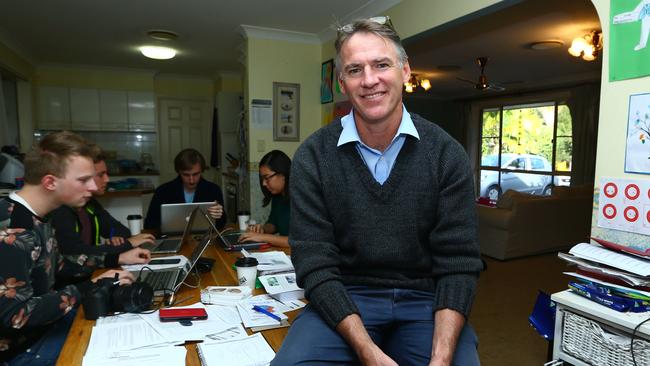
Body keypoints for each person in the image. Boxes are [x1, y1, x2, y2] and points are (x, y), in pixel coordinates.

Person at [271, 17, 483, 366]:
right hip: (346, 296)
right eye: (355, 70)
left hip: (424, 302)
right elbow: (315, 264)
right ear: (342, 82)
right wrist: (366, 351)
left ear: (405, 71)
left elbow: (458, 264)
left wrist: (441, 359)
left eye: (381, 65)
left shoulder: (446, 154)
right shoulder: (313, 156)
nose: (370, 80)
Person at [0, 131, 141, 365]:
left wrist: (111, 263)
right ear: (50, 182)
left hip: (42, 331)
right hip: (20, 351)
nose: (94, 186)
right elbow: (15, 316)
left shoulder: (40, 215)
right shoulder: (14, 229)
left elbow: (60, 264)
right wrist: (89, 287)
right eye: (84, 180)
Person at [50, 149, 155, 274]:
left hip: (91, 273)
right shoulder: (60, 210)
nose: (107, 179)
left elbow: (119, 230)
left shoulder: (90, 204)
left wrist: (115, 238)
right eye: (100, 175)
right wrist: (127, 244)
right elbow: (76, 253)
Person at [144, 148, 226, 232]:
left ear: (202, 171)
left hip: (203, 237)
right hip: (171, 238)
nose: (191, 180)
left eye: (196, 174)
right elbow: (149, 224)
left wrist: (219, 215)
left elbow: (222, 224)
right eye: (186, 175)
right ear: (178, 172)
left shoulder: (213, 190)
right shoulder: (162, 191)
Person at [239, 150, 291, 248]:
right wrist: (262, 229)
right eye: (262, 178)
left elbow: (298, 241)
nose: (263, 183)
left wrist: (262, 237)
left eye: (267, 178)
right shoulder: (277, 195)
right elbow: (273, 224)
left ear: (283, 174)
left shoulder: (302, 198)